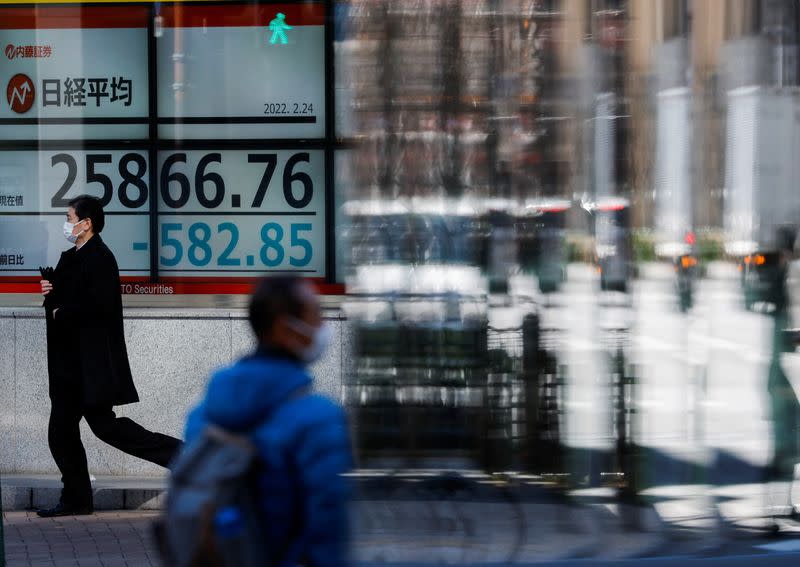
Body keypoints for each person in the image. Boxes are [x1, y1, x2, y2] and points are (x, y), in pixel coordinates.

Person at [183, 276, 352, 567]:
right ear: (285, 328)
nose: (322, 327)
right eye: (315, 315)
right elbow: (330, 530)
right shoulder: (317, 419)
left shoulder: (204, 414)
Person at [38, 195, 182, 518]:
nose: (66, 224)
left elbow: (98, 308)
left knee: (100, 429)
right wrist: (51, 294)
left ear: (86, 223)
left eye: (69, 217)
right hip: (69, 367)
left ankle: (182, 457)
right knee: (71, 431)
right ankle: (77, 497)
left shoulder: (102, 258)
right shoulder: (69, 258)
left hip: (89, 367)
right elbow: (61, 301)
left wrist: (64, 311)